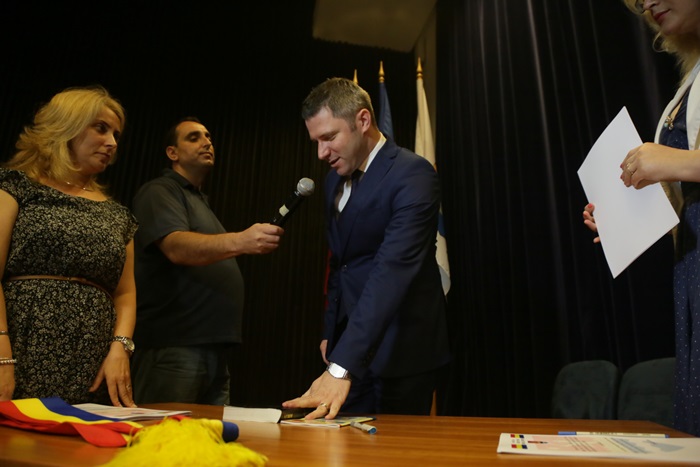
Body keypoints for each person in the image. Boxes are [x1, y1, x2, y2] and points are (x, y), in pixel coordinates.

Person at [282, 77, 450, 420]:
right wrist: (331, 333)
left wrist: (341, 366)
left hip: (403, 350)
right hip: (349, 346)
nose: (321, 154)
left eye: (329, 138)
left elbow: (391, 271)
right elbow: (339, 264)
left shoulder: (413, 174)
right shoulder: (332, 181)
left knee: (398, 447)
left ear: (362, 120)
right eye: (316, 142)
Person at [584, 0, 700, 436]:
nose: (648, 4)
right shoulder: (689, 81)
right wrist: (624, 215)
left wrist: (674, 161)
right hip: (691, 273)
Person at [130, 116, 283, 405]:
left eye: (209, 137)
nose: (207, 142)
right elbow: (175, 247)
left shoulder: (199, 201)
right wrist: (242, 240)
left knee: (209, 434)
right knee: (165, 433)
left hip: (212, 350)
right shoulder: (160, 190)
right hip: (174, 347)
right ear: (172, 153)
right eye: (194, 137)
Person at [0, 86, 137, 407]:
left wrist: (120, 348)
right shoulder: (16, 187)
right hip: (22, 342)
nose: (112, 142)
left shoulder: (119, 215)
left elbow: (126, 294)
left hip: (94, 358)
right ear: (67, 126)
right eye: (101, 128)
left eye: (116, 134)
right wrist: (2, 351)